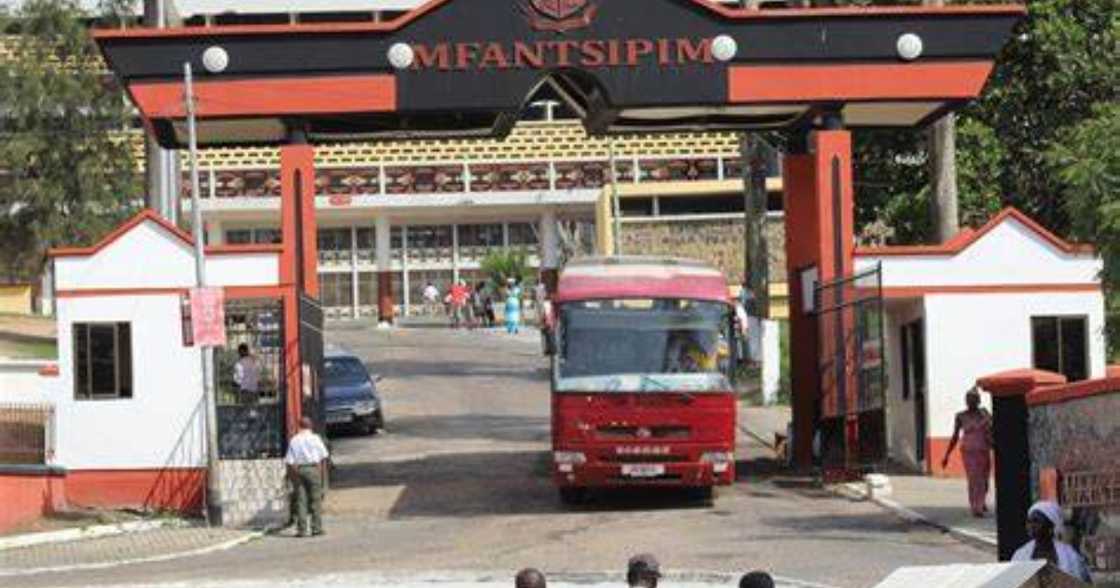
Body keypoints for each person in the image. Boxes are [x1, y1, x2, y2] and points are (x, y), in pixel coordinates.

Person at [941, 387, 993, 517]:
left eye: (974, 399)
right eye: (968, 399)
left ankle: (981, 500)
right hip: (968, 451)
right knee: (974, 478)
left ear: (979, 401)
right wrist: (947, 455)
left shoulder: (985, 413)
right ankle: (976, 506)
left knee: (984, 478)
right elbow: (955, 436)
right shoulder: (960, 416)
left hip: (983, 449)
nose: (971, 402)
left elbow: (992, 429)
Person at [1011, 500, 1092, 582]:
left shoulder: (1070, 556)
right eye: (1029, 521)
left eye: (1036, 521)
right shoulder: (1020, 555)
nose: (1031, 526)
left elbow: (1080, 582)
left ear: (1050, 526)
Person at [285, 417, 330, 537]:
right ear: (310, 426)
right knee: (316, 499)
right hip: (313, 468)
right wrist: (321, 472)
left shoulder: (294, 440)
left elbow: (290, 461)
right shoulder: (315, 438)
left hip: (299, 469)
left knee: (301, 499)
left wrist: (292, 475)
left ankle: (302, 530)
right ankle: (316, 528)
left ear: (299, 426)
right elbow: (324, 456)